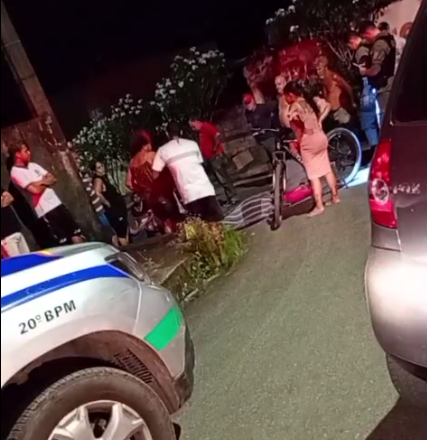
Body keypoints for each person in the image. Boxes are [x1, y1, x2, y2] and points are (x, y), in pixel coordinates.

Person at [9, 142, 85, 246]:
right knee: (64, 242)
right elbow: (35, 191)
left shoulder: (33, 165)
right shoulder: (15, 172)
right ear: (18, 154)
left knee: (76, 234)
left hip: (57, 204)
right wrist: (45, 181)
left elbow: (53, 178)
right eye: (25, 151)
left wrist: (38, 182)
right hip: (46, 210)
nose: (29, 153)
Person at [283, 81, 339, 217]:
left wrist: (300, 125)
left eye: (286, 96)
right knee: (327, 169)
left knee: (313, 176)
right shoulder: (309, 100)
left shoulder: (294, 105)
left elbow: (288, 121)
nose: (285, 99)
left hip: (309, 142)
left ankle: (319, 206)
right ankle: (335, 197)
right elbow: (327, 105)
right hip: (320, 136)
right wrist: (319, 120)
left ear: (291, 95)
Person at [153, 121, 223, 222]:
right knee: (217, 221)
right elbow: (199, 162)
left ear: (167, 134)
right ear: (181, 132)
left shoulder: (162, 150)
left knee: (201, 225)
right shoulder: (193, 144)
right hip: (206, 188)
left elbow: (155, 174)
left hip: (188, 194)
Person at [126, 130, 183, 233]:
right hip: (163, 194)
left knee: (165, 221)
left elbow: (129, 183)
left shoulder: (132, 163)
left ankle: (170, 237)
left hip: (150, 199)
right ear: (143, 145)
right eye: (149, 143)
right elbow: (166, 170)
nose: (151, 145)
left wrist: (142, 190)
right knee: (176, 219)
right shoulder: (152, 155)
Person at [70, 149, 118, 246]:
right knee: (110, 235)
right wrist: (106, 203)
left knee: (112, 233)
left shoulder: (85, 175)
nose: (78, 161)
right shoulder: (78, 180)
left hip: (100, 210)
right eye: (75, 159)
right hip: (97, 212)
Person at [189, 118, 239, 205]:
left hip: (215, 156)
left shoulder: (206, 126)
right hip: (210, 157)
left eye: (193, 126)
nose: (193, 129)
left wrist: (215, 148)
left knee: (222, 178)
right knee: (220, 178)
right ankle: (230, 196)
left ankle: (233, 196)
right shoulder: (201, 131)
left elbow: (217, 135)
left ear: (197, 122)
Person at [359, 21, 396, 123]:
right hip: (392, 83)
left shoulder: (379, 44)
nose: (366, 40)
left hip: (385, 87)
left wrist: (364, 71)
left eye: (365, 37)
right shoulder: (389, 38)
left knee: (385, 119)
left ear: (367, 33)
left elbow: (376, 69)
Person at [347, 32, 379, 150]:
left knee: (367, 122)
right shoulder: (371, 46)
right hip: (375, 87)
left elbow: (363, 71)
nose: (350, 49)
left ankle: (375, 148)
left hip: (368, 88)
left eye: (349, 46)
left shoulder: (361, 51)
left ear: (352, 41)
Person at [92, 160, 129, 246]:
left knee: (124, 230)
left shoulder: (104, 178)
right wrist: (107, 203)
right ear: (94, 171)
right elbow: (97, 193)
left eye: (102, 166)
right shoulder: (98, 180)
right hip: (114, 211)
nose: (102, 169)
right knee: (120, 233)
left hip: (119, 209)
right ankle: (127, 249)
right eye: (99, 168)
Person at [314, 56, 355, 125]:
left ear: (326, 68)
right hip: (330, 114)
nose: (318, 72)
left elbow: (348, 88)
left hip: (340, 112)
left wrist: (352, 101)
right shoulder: (322, 80)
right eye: (316, 70)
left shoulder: (333, 77)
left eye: (320, 69)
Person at [243, 92, 278, 163]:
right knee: (266, 159)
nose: (248, 105)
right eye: (246, 104)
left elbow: (273, 114)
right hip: (259, 139)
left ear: (253, 100)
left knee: (275, 155)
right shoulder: (247, 113)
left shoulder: (262, 108)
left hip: (268, 136)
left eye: (249, 102)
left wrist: (270, 125)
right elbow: (250, 124)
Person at [1, 187, 30, 257]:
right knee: (17, 262)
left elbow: (10, 197)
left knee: (29, 259)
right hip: (5, 238)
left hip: (16, 230)